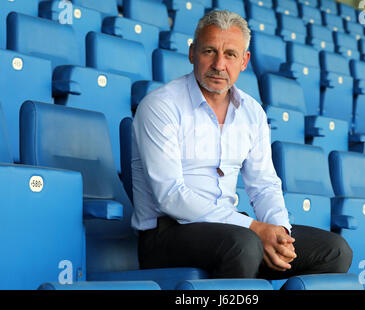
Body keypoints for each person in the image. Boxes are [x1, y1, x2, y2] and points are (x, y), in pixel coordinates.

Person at [131, 10, 352, 280]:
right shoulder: (160, 106)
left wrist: (280, 234)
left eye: (230, 55)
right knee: (244, 244)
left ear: (244, 61)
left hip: (230, 228)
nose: (219, 64)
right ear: (192, 53)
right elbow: (170, 196)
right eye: (209, 51)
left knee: (335, 250)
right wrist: (255, 228)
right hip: (166, 234)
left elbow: (264, 184)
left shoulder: (252, 112)